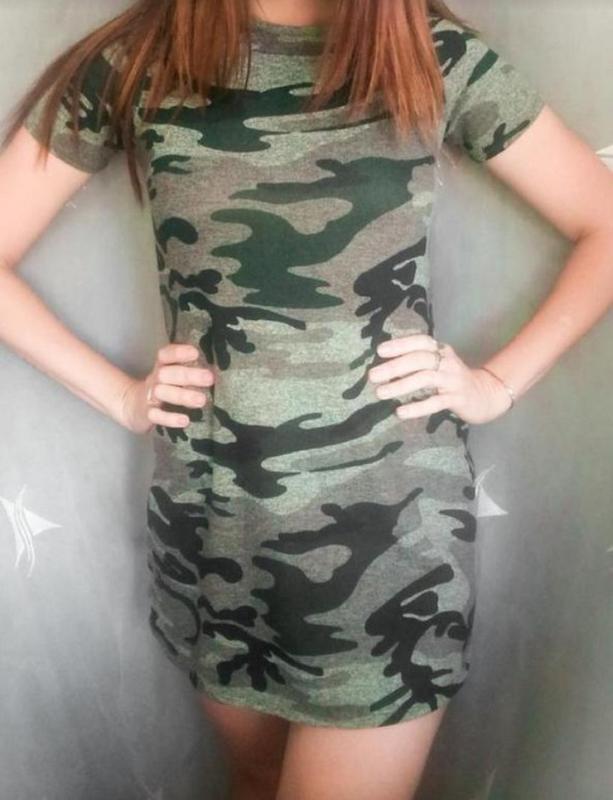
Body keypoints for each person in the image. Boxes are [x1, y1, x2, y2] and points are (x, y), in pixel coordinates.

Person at [1, 0, 612, 798]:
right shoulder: (139, 61)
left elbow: (603, 223)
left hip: (392, 535)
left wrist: (496, 384)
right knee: (257, 780)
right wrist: (120, 396)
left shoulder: (430, 56)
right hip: (213, 525)